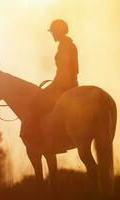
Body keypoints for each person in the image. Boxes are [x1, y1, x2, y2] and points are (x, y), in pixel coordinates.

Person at [21, 19, 79, 149]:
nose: (52, 34)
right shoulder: (69, 45)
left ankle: (37, 138)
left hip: (63, 85)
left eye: (53, 32)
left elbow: (64, 69)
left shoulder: (64, 46)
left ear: (58, 31)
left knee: (35, 103)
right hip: (72, 83)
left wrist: (55, 84)